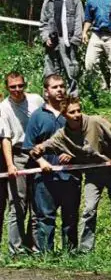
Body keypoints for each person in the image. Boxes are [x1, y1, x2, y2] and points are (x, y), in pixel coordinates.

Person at [31, 96, 111, 253]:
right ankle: (85, 250)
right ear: (64, 115)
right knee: (88, 210)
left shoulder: (95, 122)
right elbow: (43, 146)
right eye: (72, 112)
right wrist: (40, 153)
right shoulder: (62, 135)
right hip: (93, 174)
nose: (77, 115)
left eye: (78, 111)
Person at [23, 74, 81, 254]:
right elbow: (29, 146)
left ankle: (70, 255)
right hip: (45, 177)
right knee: (45, 218)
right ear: (46, 91)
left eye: (62, 86)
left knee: (70, 218)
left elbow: (84, 141)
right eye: (55, 87)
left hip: (70, 175)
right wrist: (40, 161)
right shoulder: (37, 117)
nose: (60, 90)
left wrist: (72, 154)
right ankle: (46, 257)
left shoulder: (72, 113)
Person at [0, 72, 44, 255]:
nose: (17, 90)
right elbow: (6, 138)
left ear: (25, 84)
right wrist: (10, 164)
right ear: (7, 88)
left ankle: (33, 246)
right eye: (13, 87)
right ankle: (15, 250)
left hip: (38, 154)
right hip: (18, 155)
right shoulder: (3, 108)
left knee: (37, 204)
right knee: (18, 204)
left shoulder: (36, 100)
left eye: (20, 85)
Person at [39, 0, 83, 95]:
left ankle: (72, 98)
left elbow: (79, 20)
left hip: (67, 40)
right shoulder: (48, 0)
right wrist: (45, 38)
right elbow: (44, 22)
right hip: (52, 41)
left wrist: (75, 40)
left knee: (71, 71)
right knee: (50, 71)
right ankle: (50, 99)